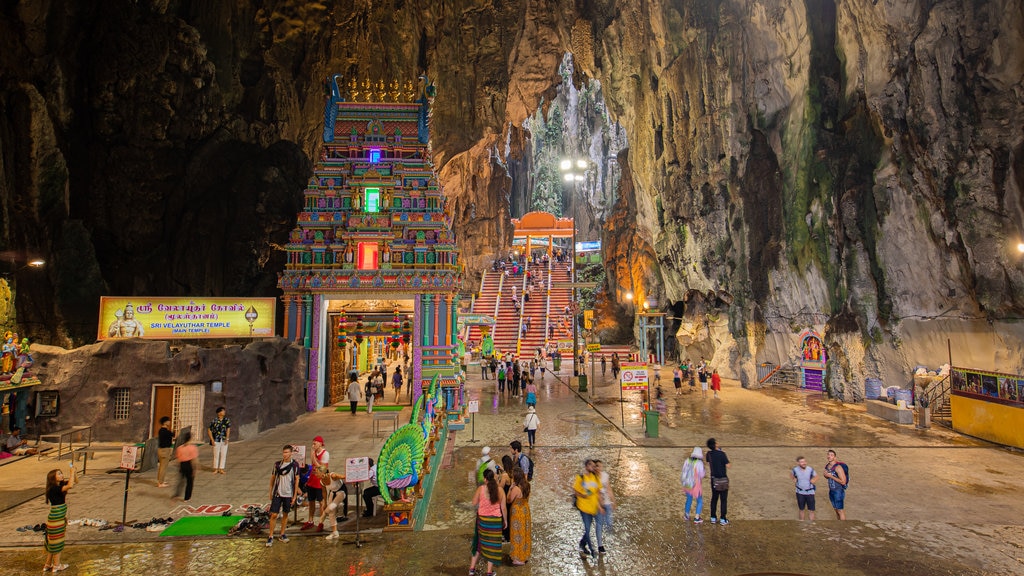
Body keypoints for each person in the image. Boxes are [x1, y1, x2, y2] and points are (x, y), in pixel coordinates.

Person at [469, 468, 506, 576]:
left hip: (482, 521)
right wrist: (506, 521)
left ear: (485, 479)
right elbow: (503, 508)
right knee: (492, 546)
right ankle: (489, 572)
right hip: (495, 522)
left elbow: (474, 503)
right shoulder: (500, 490)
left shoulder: (481, 489)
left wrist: (482, 504)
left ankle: (471, 569)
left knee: (479, 544)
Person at [43, 463, 75, 572]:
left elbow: (74, 482)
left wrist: (73, 472)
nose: (61, 475)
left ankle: (47, 564)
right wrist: (71, 473)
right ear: (53, 478)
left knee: (52, 542)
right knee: (58, 542)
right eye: (59, 474)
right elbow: (70, 485)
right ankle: (57, 565)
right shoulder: (54, 489)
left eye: (61, 473)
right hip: (56, 519)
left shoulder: (56, 487)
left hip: (57, 518)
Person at [266, 444, 299, 546]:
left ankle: (282, 533)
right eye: (283, 452)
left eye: (287, 452)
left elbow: (297, 480)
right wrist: (270, 492)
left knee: (285, 514)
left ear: (291, 453)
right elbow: (272, 479)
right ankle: (270, 535)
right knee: (274, 514)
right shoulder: (277, 465)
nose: (285, 454)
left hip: (288, 493)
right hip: (278, 492)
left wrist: (294, 495)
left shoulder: (295, 465)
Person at [573, 459, 603, 558]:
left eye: (594, 466)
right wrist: (583, 495)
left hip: (594, 508)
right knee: (588, 528)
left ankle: (583, 544)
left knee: (588, 529)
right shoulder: (581, 478)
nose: (593, 467)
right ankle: (591, 550)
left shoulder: (596, 478)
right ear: (586, 466)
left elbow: (598, 491)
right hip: (584, 508)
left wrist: (600, 505)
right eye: (591, 465)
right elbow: (575, 491)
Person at [301, 436, 329, 531]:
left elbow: (322, 468)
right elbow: (313, 463)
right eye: (313, 443)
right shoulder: (314, 452)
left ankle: (321, 522)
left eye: (315, 443)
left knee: (321, 502)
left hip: (319, 481)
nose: (313, 445)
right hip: (312, 480)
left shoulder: (325, 454)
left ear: (320, 443)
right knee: (311, 501)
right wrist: (313, 454)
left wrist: (313, 456)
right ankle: (310, 520)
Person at [508, 468, 532, 566]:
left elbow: (508, 500)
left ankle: (518, 558)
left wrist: (510, 489)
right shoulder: (527, 485)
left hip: (517, 514)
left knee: (517, 535)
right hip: (525, 511)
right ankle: (525, 555)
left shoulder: (516, 489)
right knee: (525, 533)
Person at [705, 438, 730, 524]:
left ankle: (713, 517)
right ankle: (723, 518)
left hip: (714, 479)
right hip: (723, 479)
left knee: (714, 498)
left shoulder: (708, 454)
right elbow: (728, 465)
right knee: (723, 499)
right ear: (715, 444)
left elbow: (709, 463)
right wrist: (722, 453)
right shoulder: (722, 454)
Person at [322, 470, 350, 539]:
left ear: (322, 473)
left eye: (317, 472)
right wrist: (324, 502)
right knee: (331, 513)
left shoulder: (333, 476)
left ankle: (323, 515)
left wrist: (354, 482)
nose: (315, 474)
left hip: (341, 491)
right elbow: (324, 492)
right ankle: (335, 532)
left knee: (331, 507)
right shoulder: (321, 481)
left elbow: (345, 476)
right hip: (332, 492)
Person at [681, 447, 706, 523]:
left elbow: (683, 470)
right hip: (696, 484)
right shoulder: (699, 463)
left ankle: (686, 515)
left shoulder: (687, 460)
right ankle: (697, 517)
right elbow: (702, 474)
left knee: (689, 499)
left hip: (687, 484)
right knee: (700, 500)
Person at [595, 459, 614, 552]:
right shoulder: (592, 478)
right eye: (597, 466)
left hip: (607, 502)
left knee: (609, 522)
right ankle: (600, 545)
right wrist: (599, 506)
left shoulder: (605, 476)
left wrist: (613, 501)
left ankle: (609, 533)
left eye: (600, 466)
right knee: (599, 524)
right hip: (598, 505)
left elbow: (609, 488)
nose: (599, 468)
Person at [173, 430, 197, 502]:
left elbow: (178, 459)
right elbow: (194, 460)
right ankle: (187, 498)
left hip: (182, 464)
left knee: (181, 481)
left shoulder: (179, 448)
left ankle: (177, 494)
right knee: (190, 482)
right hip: (189, 464)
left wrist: (179, 466)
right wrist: (194, 469)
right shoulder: (192, 447)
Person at [823, 449, 847, 520]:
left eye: (831, 455)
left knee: (840, 510)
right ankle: (839, 524)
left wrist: (831, 476)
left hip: (838, 491)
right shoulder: (827, 466)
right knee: (836, 510)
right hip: (831, 491)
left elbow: (843, 482)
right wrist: (826, 475)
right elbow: (827, 477)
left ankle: (843, 527)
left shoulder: (838, 468)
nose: (829, 456)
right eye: (828, 455)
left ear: (835, 457)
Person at [792, 456, 818, 521]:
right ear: (798, 463)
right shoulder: (795, 470)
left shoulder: (810, 469)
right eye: (802, 462)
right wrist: (794, 479)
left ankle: (812, 525)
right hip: (800, 492)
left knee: (811, 510)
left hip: (810, 492)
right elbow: (791, 474)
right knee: (801, 509)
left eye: (804, 461)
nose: (804, 463)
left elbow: (816, 476)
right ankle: (802, 523)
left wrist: (813, 480)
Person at [207, 406, 231, 474]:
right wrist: (211, 439)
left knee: (224, 454)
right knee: (216, 454)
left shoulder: (226, 420)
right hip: (216, 439)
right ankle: (215, 468)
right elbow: (209, 430)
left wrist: (227, 438)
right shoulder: (214, 421)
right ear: (219, 412)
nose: (224, 412)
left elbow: (228, 429)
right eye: (223, 411)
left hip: (223, 439)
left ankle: (221, 468)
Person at [156, 417, 175, 488]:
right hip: (164, 450)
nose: (169, 422)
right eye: (168, 421)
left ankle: (160, 480)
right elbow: (174, 435)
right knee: (163, 467)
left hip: (162, 450)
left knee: (162, 466)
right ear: (164, 422)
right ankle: (160, 483)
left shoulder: (162, 430)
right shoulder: (165, 431)